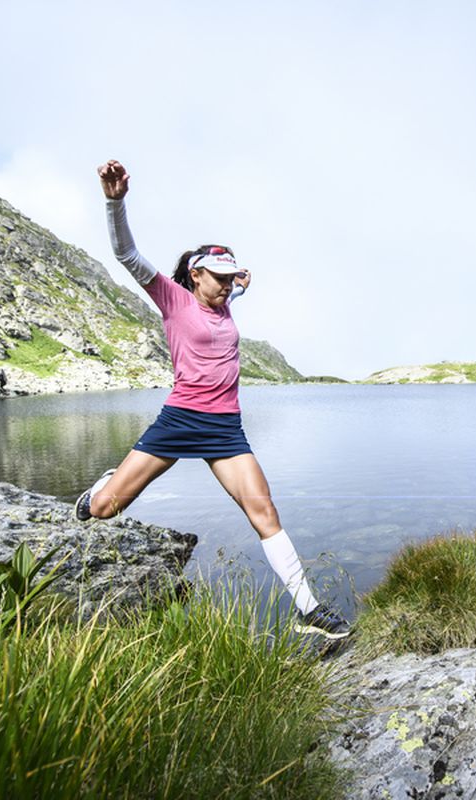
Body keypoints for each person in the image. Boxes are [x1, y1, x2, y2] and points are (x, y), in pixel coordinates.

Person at [75, 159, 350, 640]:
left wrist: (240, 284)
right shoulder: (173, 299)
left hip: (226, 429)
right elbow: (125, 253)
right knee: (105, 511)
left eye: (230, 278)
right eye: (218, 277)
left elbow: (233, 290)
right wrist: (114, 201)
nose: (226, 285)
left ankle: (308, 611)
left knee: (264, 511)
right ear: (195, 274)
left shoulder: (225, 302)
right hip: (179, 420)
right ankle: (98, 491)